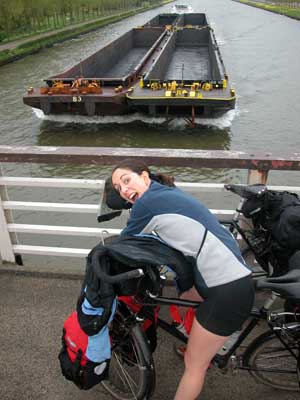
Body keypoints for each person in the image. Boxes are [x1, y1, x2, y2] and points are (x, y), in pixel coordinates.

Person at [110, 159, 255, 400]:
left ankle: (201, 352)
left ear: (144, 177)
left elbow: (124, 243)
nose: (123, 190)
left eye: (126, 181)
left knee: (193, 365)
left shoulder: (146, 204)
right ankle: (202, 340)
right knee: (184, 296)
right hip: (225, 276)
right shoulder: (164, 192)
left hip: (227, 290)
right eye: (118, 188)